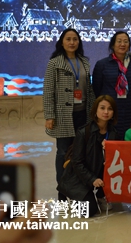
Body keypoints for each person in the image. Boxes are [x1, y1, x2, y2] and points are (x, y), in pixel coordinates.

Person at [43, 28, 94, 199]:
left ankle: (79, 188)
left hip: (83, 114)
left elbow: (89, 89)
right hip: (63, 115)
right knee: (63, 152)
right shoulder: (54, 63)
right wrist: (49, 115)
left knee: (80, 153)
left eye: (75, 39)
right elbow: (48, 91)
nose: (72, 42)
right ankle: (63, 191)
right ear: (62, 42)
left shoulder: (84, 62)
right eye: (68, 39)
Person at [57, 95, 119, 217]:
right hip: (79, 178)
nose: (106, 112)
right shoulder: (84, 132)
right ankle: (69, 195)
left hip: (99, 177)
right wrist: (92, 179)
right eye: (102, 108)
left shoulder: (114, 133)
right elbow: (77, 162)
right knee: (88, 211)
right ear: (95, 110)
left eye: (110, 109)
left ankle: (100, 194)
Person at [92, 31, 131, 136]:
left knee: (128, 138)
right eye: (119, 41)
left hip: (130, 108)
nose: (122, 44)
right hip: (110, 108)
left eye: (126, 41)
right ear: (112, 45)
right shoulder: (102, 64)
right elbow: (97, 88)